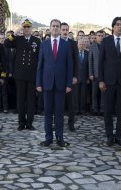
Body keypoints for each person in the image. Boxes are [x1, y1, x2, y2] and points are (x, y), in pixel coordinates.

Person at [98, 17, 121, 147]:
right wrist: (101, 80)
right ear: (113, 27)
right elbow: (101, 62)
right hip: (108, 81)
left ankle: (119, 137)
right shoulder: (106, 41)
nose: (120, 27)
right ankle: (109, 136)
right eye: (117, 24)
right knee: (108, 110)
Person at [36, 19, 73, 147]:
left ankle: (60, 138)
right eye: (54, 26)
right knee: (47, 112)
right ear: (50, 28)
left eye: (58, 26)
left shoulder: (66, 44)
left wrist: (69, 84)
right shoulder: (44, 44)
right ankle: (48, 138)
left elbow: (69, 66)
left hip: (61, 85)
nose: (56, 28)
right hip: (46, 84)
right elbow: (40, 65)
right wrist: (38, 83)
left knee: (59, 113)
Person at [4, 18, 41, 130]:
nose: (26, 29)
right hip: (19, 75)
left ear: (31, 28)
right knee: (20, 100)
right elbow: (6, 43)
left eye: (28, 27)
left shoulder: (37, 40)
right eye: (24, 27)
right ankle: (21, 123)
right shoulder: (17, 39)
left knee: (30, 100)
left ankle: (29, 123)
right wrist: (15, 32)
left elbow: (39, 58)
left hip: (32, 75)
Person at [60, 22, 79, 132]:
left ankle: (71, 124)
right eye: (63, 29)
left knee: (71, 102)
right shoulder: (56, 42)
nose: (65, 31)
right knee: (58, 102)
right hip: (58, 77)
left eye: (67, 29)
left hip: (70, 77)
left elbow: (76, 61)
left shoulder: (73, 43)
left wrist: (75, 76)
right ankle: (57, 123)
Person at [89, 30, 104, 115]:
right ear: (96, 36)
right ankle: (94, 108)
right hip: (94, 74)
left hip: (103, 74)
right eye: (99, 35)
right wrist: (90, 73)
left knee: (103, 92)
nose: (100, 37)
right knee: (94, 93)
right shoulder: (92, 46)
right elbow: (90, 60)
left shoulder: (106, 46)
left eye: (102, 35)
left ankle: (102, 109)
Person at [73, 38, 89, 115]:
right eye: (80, 44)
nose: (81, 46)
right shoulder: (74, 53)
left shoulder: (87, 53)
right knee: (76, 95)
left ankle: (82, 110)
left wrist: (88, 77)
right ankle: (76, 109)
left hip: (84, 78)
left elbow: (89, 66)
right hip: (76, 78)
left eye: (83, 44)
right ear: (77, 45)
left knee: (83, 95)